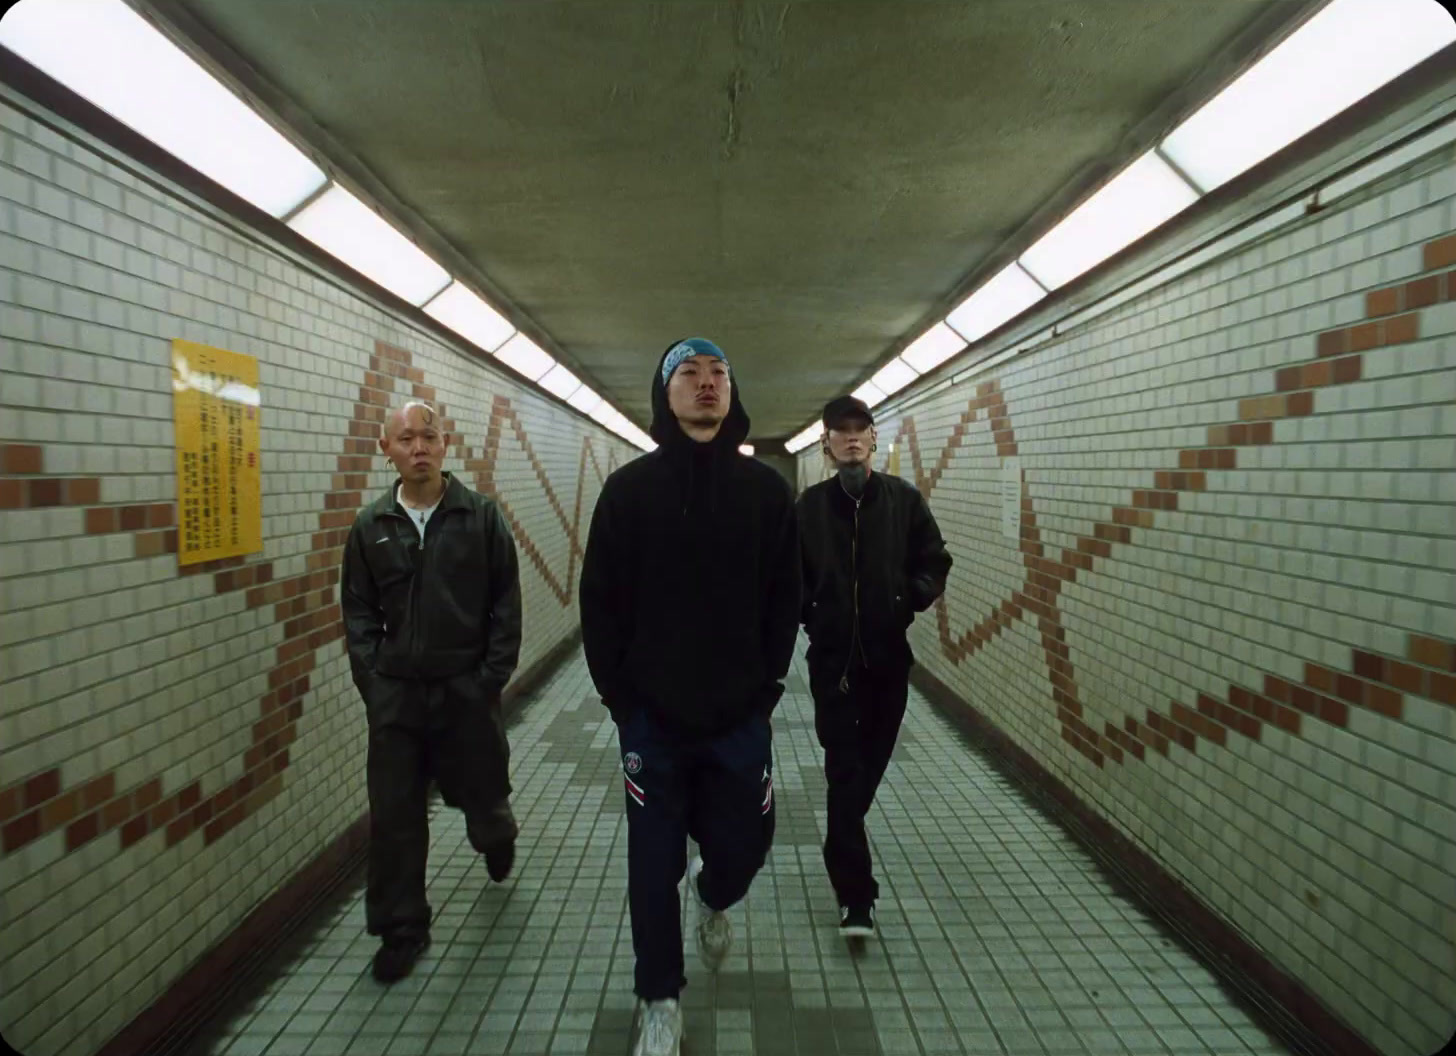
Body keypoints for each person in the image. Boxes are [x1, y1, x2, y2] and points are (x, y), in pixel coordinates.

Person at [579, 338, 800, 1056]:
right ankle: (659, 1000)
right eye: (689, 374)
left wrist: (766, 686)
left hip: (740, 716)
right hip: (653, 721)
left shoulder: (766, 492)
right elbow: (601, 600)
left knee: (746, 844)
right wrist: (621, 699)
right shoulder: (629, 492)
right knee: (652, 864)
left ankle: (712, 893)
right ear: (664, 394)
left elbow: (783, 596)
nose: (706, 385)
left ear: (732, 395)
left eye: (719, 374)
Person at [341, 399, 523, 983]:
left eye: (429, 437)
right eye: (406, 440)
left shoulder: (479, 516)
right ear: (386, 449)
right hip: (397, 695)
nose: (418, 448)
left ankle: (495, 832)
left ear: (446, 444)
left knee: (483, 790)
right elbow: (359, 612)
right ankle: (401, 928)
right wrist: (375, 681)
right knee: (394, 815)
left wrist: (489, 678)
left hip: (465, 689)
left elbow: (505, 603)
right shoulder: (371, 527)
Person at [797, 394, 952, 939]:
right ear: (826, 443)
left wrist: (910, 598)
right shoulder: (809, 508)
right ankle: (855, 897)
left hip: (888, 662)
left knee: (867, 769)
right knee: (844, 770)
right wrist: (809, 610)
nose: (851, 439)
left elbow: (935, 559)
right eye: (840, 432)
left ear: (873, 439)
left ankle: (841, 836)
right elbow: (786, 575)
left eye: (860, 430)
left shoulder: (903, 501)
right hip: (832, 664)